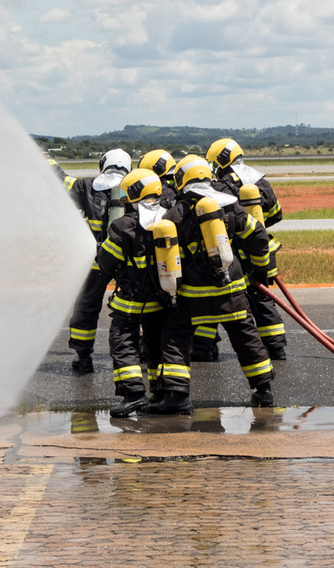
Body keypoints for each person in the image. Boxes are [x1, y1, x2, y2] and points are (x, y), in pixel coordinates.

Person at [150, 155, 274, 414]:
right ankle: (264, 390)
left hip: (191, 298)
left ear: (181, 179)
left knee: (176, 337)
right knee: (246, 337)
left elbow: (163, 256)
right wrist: (258, 270)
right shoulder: (230, 206)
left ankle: (177, 395)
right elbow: (258, 236)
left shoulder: (175, 212)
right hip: (232, 292)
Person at [81, 168, 178, 416]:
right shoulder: (170, 219)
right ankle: (158, 392)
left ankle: (133, 394)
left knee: (123, 343)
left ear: (135, 192)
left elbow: (106, 262)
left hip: (132, 301)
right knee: (155, 345)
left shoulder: (123, 226)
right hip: (162, 299)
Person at [200, 137, 289, 360]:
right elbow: (275, 214)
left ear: (220, 162)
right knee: (263, 298)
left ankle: (203, 347)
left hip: (238, 255)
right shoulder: (261, 181)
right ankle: (276, 346)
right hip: (264, 251)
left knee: (219, 299)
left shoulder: (220, 188)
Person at [66, 148, 132, 374]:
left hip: (96, 260)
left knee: (86, 305)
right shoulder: (134, 186)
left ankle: (83, 358)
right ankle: (138, 354)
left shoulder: (86, 186)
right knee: (136, 305)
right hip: (127, 261)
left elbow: (60, 185)